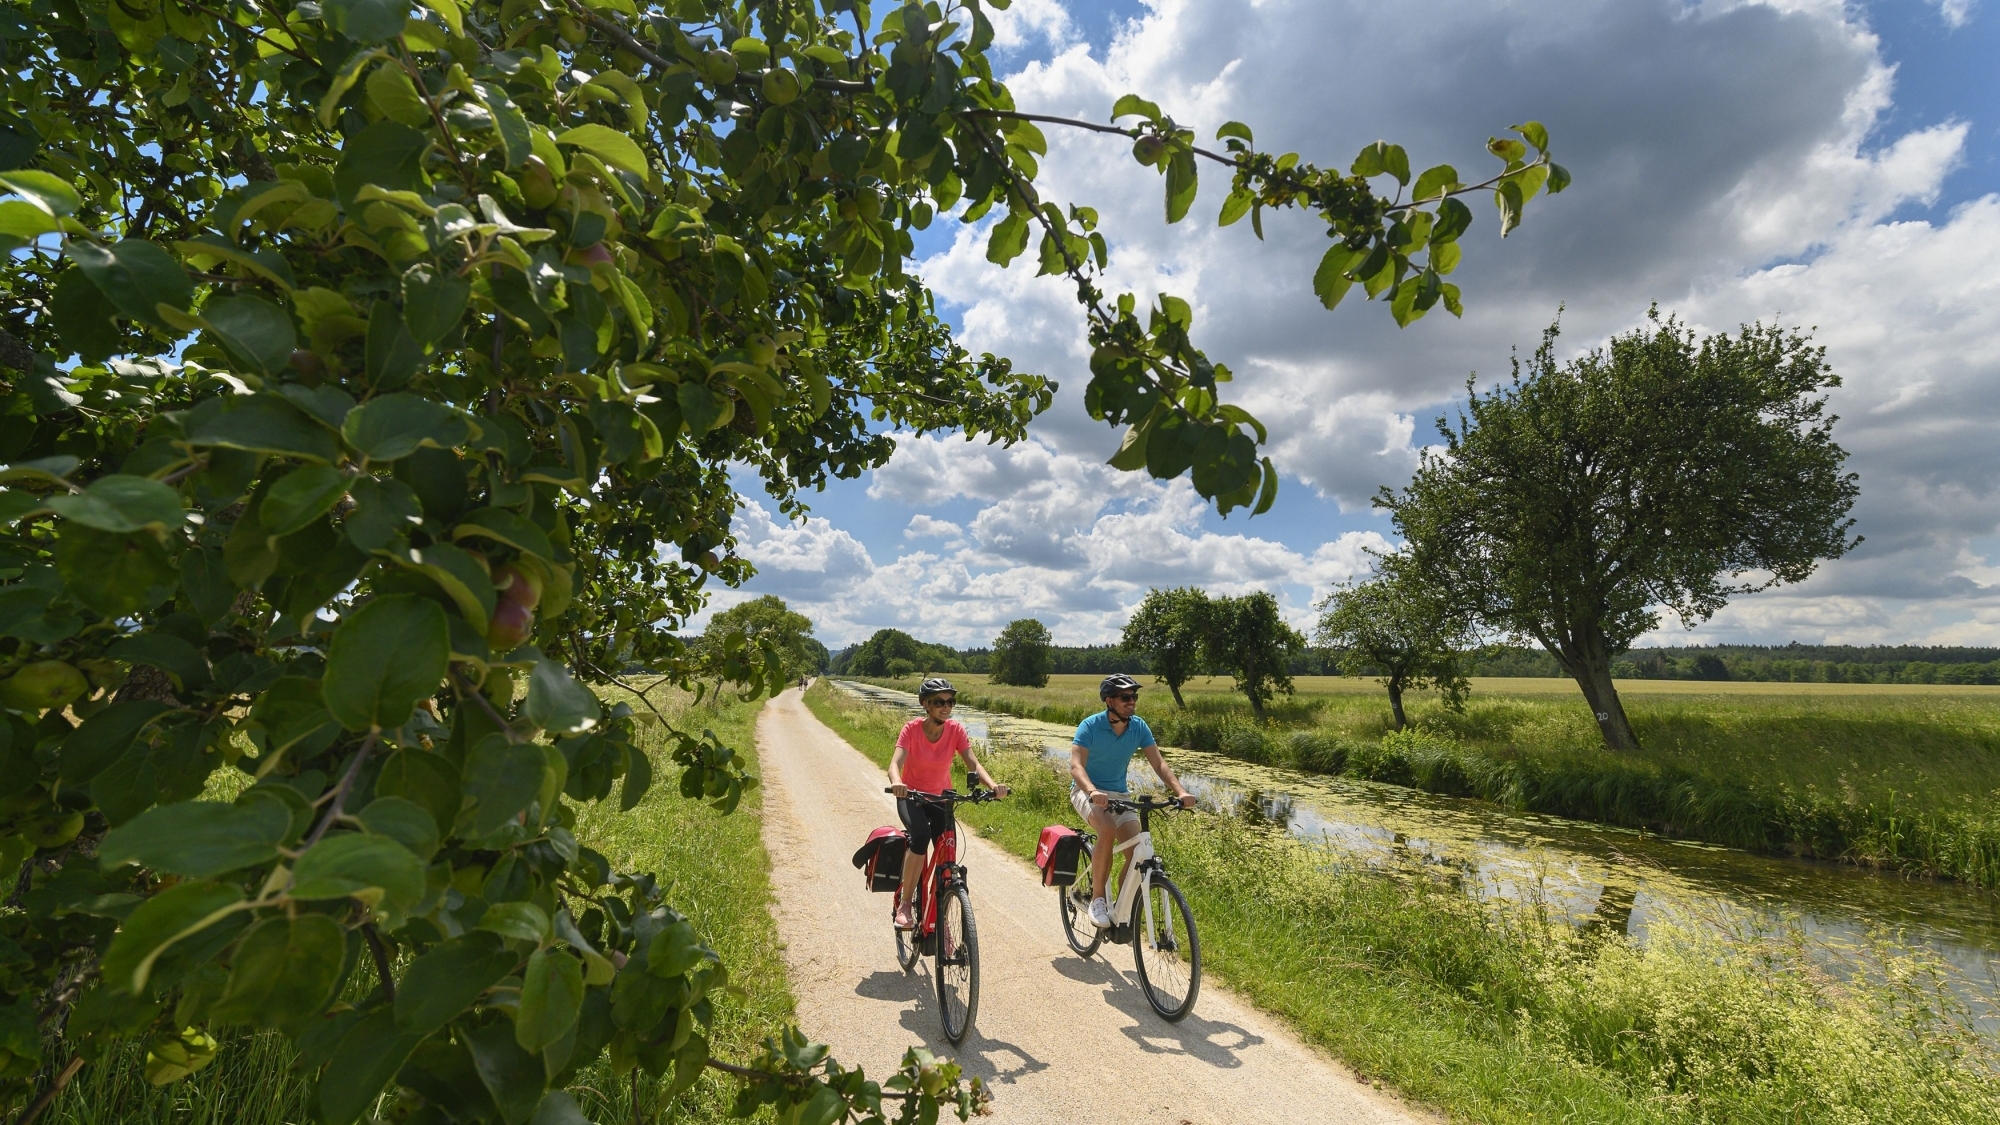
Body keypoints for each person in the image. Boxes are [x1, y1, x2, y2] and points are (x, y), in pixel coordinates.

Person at [1070, 673, 1195, 928]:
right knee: (1106, 829)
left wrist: (1181, 792)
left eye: (1134, 696)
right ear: (1109, 701)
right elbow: (1076, 766)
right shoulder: (1090, 726)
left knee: (1136, 851)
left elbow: (1159, 763)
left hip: (1120, 796)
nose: (1132, 701)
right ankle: (1097, 900)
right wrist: (1092, 791)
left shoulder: (1138, 727)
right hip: (1087, 791)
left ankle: (1122, 908)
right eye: (1125, 697)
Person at [887, 677, 1008, 929]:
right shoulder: (911, 729)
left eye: (950, 702)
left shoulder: (956, 730)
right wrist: (898, 782)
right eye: (939, 702)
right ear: (925, 704)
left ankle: (940, 926)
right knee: (921, 837)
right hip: (911, 797)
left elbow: (973, 764)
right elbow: (895, 764)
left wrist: (993, 786)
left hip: (941, 798)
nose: (946, 707)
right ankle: (905, 904)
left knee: (947, 853)